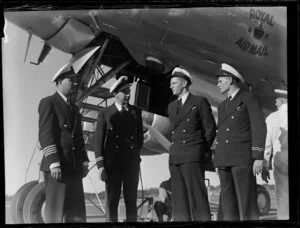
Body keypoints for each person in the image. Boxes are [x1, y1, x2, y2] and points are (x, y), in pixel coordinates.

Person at [214, 63, 266, 220]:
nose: (217, 84)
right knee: (228, 206)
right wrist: (218, 159)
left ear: (230, 80)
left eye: (220, 80)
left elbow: (258, 126)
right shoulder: (222, 106)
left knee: (246, 205)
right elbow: (221, 134)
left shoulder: (247, 98)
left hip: (242, 159)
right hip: (224, 161)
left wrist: (258, 157)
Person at [38, 63, 89, 223]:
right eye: (70, 80)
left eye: (75, 80)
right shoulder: (49, 102)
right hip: (58, 168)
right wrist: (54, 163)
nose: (75, 84)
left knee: (77, 214)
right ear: (59, 82)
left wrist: (85, 161)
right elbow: (46, 134)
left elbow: (78, 137)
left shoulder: (74, 108)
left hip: (74, 167)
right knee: (56, 214)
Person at [167, 67, 216, 221]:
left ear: (184, 83)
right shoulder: (172, 106)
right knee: (179, 201)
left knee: (197, 198)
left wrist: (200, 150)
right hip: (175, 157)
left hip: (192, 155)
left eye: (174, 83)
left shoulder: (199, 102)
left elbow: (210, 128)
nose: (171, 86)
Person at [94, 76, 144, 222]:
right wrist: (100, 166)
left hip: (131, 164)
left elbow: (139, 137)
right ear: (115, 94)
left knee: (131, 202)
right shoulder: (105, 112)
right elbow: (99, 140)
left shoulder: (136, 112)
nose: (128, 94)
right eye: (124, 91)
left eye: (129, 90)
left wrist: (134, 153)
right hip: (112, 164)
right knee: (112, 202)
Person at [262, 87, 288, 219]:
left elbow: (267, 145)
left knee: (283, 199)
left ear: (282, 99)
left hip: (280, 161)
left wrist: (265, 165)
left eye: (276, 100)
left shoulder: (272, 117)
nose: (275, 103)